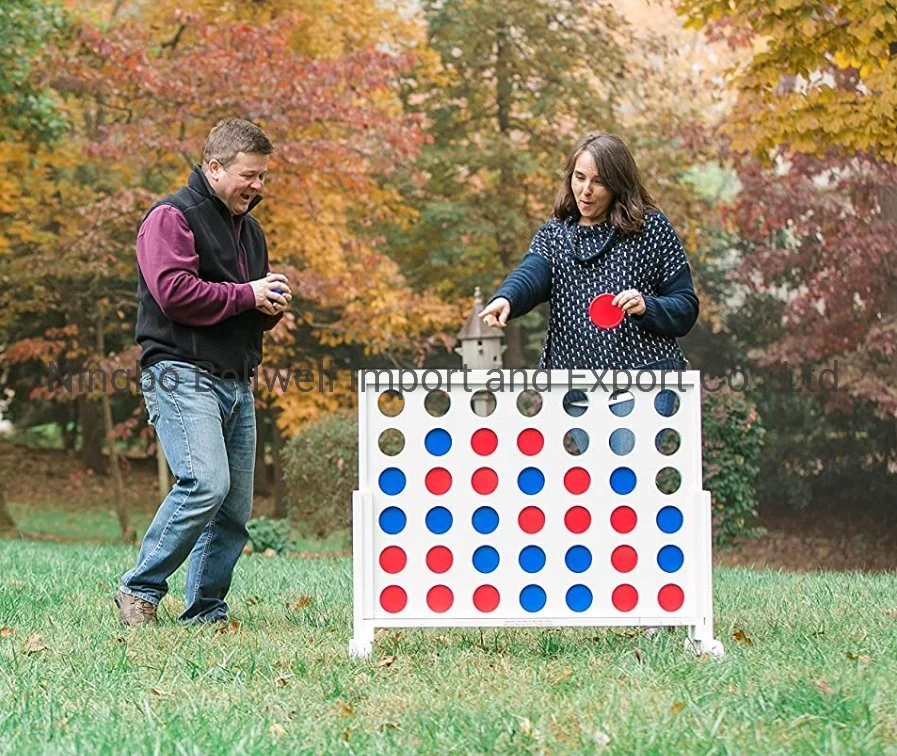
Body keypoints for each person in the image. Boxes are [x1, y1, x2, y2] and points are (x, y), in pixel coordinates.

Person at [116, 118, 292, 626]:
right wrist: (246, 294)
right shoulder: (173, 216)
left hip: (236, 380)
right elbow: (173, 293)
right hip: (178, 371)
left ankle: (206, 609)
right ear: (214, 168)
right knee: (204, 483)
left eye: (263, 176)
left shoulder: (250, 231)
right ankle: (139, 587)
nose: (258, 186)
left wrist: (268, 304)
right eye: (249, 175)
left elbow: (238, 307)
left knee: (235, 509)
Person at [479, 133, 699, 451]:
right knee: (599, 483)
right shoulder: (555, 235)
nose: (585, 190)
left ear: (618, 184)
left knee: (623, 475)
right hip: (576, 385)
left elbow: (685, 306)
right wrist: (506, 298)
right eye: (579, 178)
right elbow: (531, 273)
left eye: (598, 182)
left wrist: (646, 307)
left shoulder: (651, 229)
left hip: (642, 381)